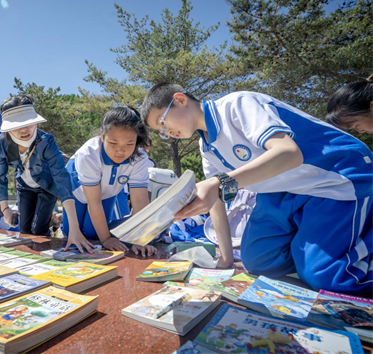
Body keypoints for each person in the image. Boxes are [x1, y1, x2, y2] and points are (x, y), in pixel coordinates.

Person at [140, 83, 373, 294]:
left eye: (163, 122)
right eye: (161, 130)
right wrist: (226, 259)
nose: (167, 132)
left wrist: (220, 183)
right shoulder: (206, 148)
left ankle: (337, 248)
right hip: (283, 189)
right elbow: (217, 200)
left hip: (335, 178)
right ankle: (314, 245)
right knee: (258, 261)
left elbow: (288, 153)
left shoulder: (237, 105)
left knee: (325, 275)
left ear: (180, 100)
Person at [0, 95, 89, 251]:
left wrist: (74, 228)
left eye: (29, 123)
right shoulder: (0, 143)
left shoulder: (46, 141)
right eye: (17, 125)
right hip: (24, 187)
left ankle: (46, 250)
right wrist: (5, 210)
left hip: (47, 186)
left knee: (38, 229)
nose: (25, 130)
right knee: (24, 230)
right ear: (7, 128)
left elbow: (61, 179)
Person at [63, 107, 157, 256]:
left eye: (129, 144)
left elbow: (139, 200)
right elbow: (93, 201)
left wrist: (139, 239)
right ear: (102, 135)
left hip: (107, 194)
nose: (121, 151)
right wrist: (106, 239)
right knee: (71, 233)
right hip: (77, 193)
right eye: (113, 143)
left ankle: (127, 231)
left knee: (93, 233)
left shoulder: (140, 157)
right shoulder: (88, 154)